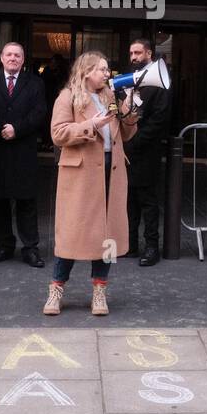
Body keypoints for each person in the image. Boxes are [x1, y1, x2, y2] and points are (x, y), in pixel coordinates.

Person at [44, 51, 138, 316]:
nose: (107, 74)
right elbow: (58, 134)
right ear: (86, 72)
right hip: (82, 174)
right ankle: (56, 289)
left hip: (111, 170)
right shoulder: (68, 97)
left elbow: (127, 132)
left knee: (106, 233)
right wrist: (91, 125)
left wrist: (129, 106)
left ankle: (99, 291)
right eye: (102, 70)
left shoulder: (109, 96)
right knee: (73, 232)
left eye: (107, 70)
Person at [0, 42, 48, 268]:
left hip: (23, 147)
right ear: (1, 57)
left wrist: (16, 129)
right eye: (9, 54)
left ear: (23, 59)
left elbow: (39, 113)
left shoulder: (35, 83)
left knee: (26, 200)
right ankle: (4, 246)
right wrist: (2, 128)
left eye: (17, 55)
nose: (13, 58)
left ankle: (30, 248)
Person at [120, 37, 172, 266]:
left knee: (148, 201)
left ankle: (152, 247)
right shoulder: (130, 78)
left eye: (138, 53)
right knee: (129, 199)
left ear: (149, 54)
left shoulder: (160, 81)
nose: (133, 58)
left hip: (146, 149)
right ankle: (130, 244)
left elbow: (159, 120)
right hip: (129, 148)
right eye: (131, 53)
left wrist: (134, 142)